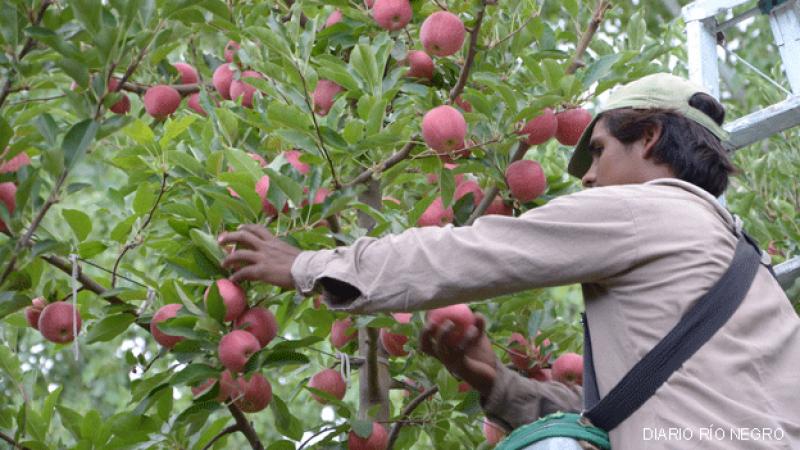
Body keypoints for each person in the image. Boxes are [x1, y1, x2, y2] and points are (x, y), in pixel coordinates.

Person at [217, 73, 800, 449]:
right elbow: (648, 418)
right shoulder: (748, 268)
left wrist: (309, 265)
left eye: (597, 151)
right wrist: (497, 383)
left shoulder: (643, 211)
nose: (590, 176)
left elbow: (471, 249)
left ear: (648, 137)